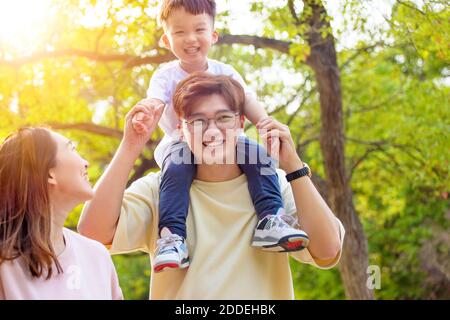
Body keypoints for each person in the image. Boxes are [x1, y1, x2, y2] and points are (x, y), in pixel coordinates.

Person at [78, 72, 345, 299]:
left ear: (241, 123)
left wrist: (293, 166)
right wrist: (130, 146)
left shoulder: (272, 187)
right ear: (181, 131)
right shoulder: (159, 189)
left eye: (223, 118)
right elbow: (93, 232)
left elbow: (328, 251)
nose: (212, 131)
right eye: (197, 121)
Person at [133, 0, 309, 273]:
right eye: (180, 32)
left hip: (226, 142)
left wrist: (264, 124)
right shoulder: (165, 75)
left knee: (257, 155)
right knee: (177, 170)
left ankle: (270, 218)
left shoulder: (225, 72)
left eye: (199, 29)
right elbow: (155, 100)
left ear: (213, 35)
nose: (190, 39)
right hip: (182, 142)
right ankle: (172, 237)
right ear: (166, 40)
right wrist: (146, 113)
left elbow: (247, 100)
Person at [0, 127, 123, 300]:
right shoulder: (5, 266)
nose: (85, 162)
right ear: (49, 173)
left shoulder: (97, 256)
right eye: (72, 148)